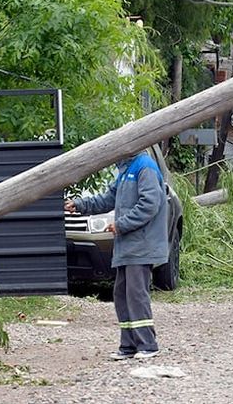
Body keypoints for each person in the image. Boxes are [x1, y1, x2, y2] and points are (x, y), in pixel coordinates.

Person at [64, 151, 169, 360]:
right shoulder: (125, 168)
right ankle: (128, 345)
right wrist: (80, 205)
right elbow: (108, 199)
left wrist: (121, 225)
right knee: (121, 294)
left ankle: (148, 344)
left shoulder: (144, 166)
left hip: (142, 245)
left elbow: (150, 204)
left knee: (136, 295)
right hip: (128, 246)